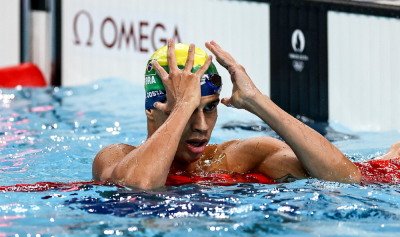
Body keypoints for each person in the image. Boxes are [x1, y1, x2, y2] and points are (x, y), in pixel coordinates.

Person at [92, 38, 362, 189]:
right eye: (187, 111)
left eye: (209, 108)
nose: (201, 126)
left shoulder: (238, 157)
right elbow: (139, 187)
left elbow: (345, 178)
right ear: (152, 110)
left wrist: (257, 101)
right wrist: (185, 103)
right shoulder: (115, 157)